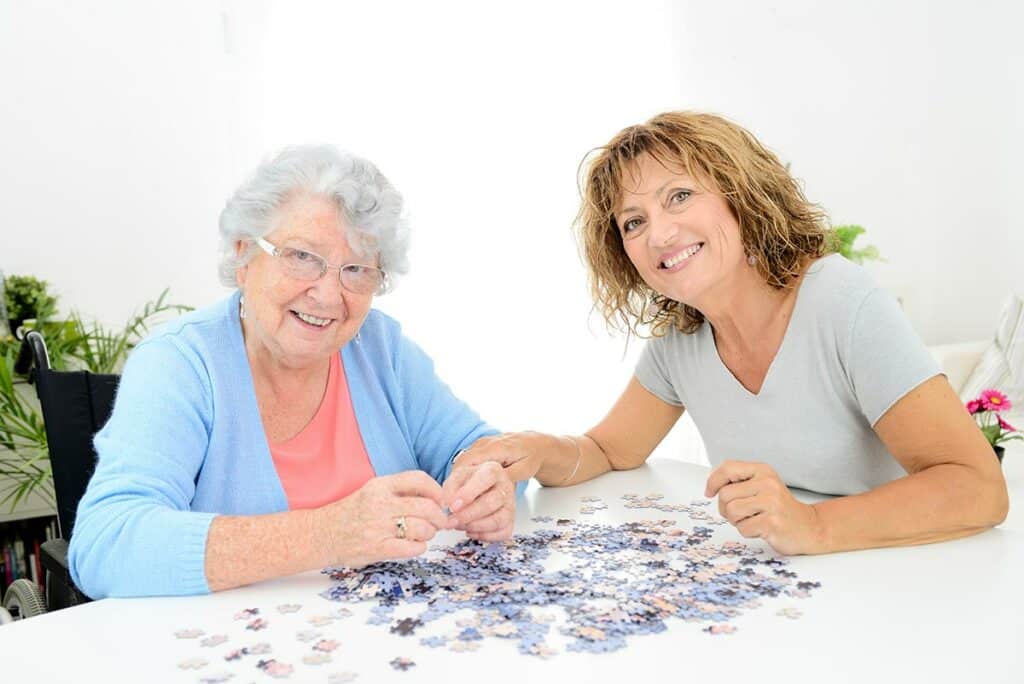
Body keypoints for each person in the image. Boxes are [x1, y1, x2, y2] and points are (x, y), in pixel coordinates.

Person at [456, 111, 1008, 555]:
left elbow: (977, 489)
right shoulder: (681, 337)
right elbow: (609, 448)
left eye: (679, 196)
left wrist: (812, 524)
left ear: (739, 196)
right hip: (801, 586)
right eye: (633, 221)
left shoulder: (842, 300)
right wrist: (532, 450)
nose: (660, 233)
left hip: (907, 573)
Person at [69, 146, 517, 598]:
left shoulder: (381, 348)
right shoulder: (179, 363)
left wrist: (483, 485)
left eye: (356, 270)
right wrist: (329, 534)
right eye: (303, 256)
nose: (327, 294)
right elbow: (106, 544)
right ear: (244, 255)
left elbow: (472, 448)